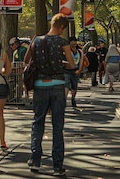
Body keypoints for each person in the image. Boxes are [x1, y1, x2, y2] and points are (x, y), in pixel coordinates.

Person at [25, 13, 75, 176]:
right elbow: (72, 64)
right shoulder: (62, 42)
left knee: (38, 122)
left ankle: (35, 160)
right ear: (61, 27)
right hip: (58, 86)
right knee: (57, 126)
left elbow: (28, 62)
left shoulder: (37, 40)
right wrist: (62, 63)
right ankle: (57, 166)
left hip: (40, 85)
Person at [64, 37, 86, 108]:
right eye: (72, 41)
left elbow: (81, 61)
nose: (74, 43)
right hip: (66, 71)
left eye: (75, 41)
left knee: (74, 87)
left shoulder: (79, 51)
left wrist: (79, 70)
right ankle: (64, 101)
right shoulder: (66, 51)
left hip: (75, 71)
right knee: (66, 85)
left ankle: (73, 99)